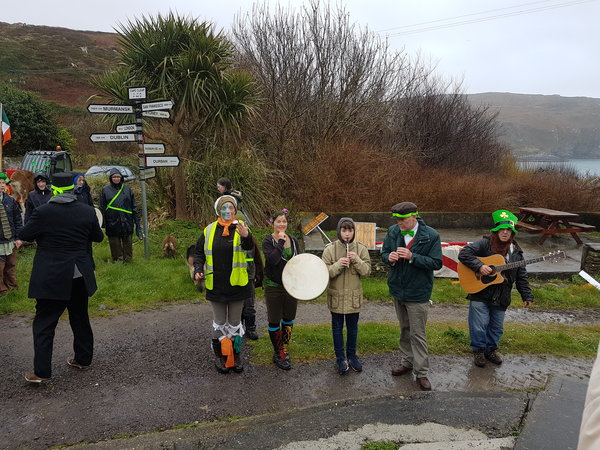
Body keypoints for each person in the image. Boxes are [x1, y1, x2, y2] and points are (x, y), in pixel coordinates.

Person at [18, 172, 104, 383]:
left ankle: (41, 372)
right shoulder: (87, 211)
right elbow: (98, 237)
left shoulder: (43, 212)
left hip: (52, 275)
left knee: (45, 323)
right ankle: (83, 359)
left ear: (53, 188)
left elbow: (25, 234)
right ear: (74, 188)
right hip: (79, 274)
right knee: (80, 317)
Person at [457, 210, 534, 368]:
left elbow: (522, 276)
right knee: (479, 324)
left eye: (508, 230)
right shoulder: (484, 244)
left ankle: (490, 350)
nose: (505, 232)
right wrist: (480, 266)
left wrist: (527, 295)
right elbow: (464, 253)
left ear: (512, 233)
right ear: (496, 231)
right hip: (480, 292)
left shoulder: (517, 253)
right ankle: (478, 350)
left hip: (502, 295)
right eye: (502, 229)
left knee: (496, 327)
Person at [381, 202, 442, 391]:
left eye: (402, 219)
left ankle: (421, 372)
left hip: (418, 292)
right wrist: (388, 258)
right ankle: (407, 362)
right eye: (396, 220)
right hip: (398, 289)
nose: (398, 223)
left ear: (415, 217)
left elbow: (436, 262)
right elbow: (383, 253)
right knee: (404, 329)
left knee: (418, 333)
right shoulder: (393, 231)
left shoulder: (430, 236)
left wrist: (412, 256)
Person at [193, 195, 253, 373]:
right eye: (224, 208)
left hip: (237, 284)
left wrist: (246, 236)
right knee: (219, 323)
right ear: (218, 211)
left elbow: (250, 249)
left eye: (231, 208)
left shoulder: (242, 228)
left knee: (234, 324)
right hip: (216, 284)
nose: (227, 211)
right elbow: (199, 253)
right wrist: (198, 267)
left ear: (235, 210)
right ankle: (220, 356)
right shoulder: (209, 230)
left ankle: (235, 355)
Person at [321, 217, 371, 374]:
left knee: (352, 328)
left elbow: (367, 272)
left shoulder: (361, 249)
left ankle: (352, 356)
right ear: (339, 231)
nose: (347, 234)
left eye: (350, 230)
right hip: (336, 296)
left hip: (353, 297)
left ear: (354, 231)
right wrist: (337, 265)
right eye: (344, 230)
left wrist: (356, 260)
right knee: (337, 328)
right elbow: (323, 272)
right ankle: (340, 358)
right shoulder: (330, 249)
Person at [262, 209, 300, 370]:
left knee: (289, 318)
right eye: (279, 222)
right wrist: (280, 243)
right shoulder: (267, 241)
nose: (282, 224)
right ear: (273, 223)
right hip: (274, 286)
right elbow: (272, 260)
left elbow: (299, 261)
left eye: (284, 221)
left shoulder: (294, 240)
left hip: (291, 286)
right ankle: (278, 353)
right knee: (274, 319)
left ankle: (284, 347)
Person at [99, 168, 140, 262]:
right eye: (114, 177)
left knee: (128, 241)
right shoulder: (105, 190)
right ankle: (118, 260)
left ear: (121, 178)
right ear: (111, 178)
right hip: (112, 220)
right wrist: (103, 223)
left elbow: (133, 206)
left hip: (127, 220)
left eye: (118, 177)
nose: (116, 179)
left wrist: (136, 221)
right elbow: (102, 207)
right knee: (114, 242)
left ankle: (128, 260)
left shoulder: (127, 190)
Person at [0, 172, 23, 296]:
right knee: (0, 267)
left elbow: (18, 220)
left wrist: (19, 238)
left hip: (10, 240)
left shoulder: (10, 201)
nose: (2, 185)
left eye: (3, 183)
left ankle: (12, 288)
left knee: (11, 265)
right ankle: (2, 291)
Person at [242, 234, 264, 340]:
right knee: (236, 305)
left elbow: (257, 258)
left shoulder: (251, 239)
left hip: (249, 276)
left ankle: (250, 329)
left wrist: (258, 275)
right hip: (234, 277)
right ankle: (238, 328)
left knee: (249, 305)